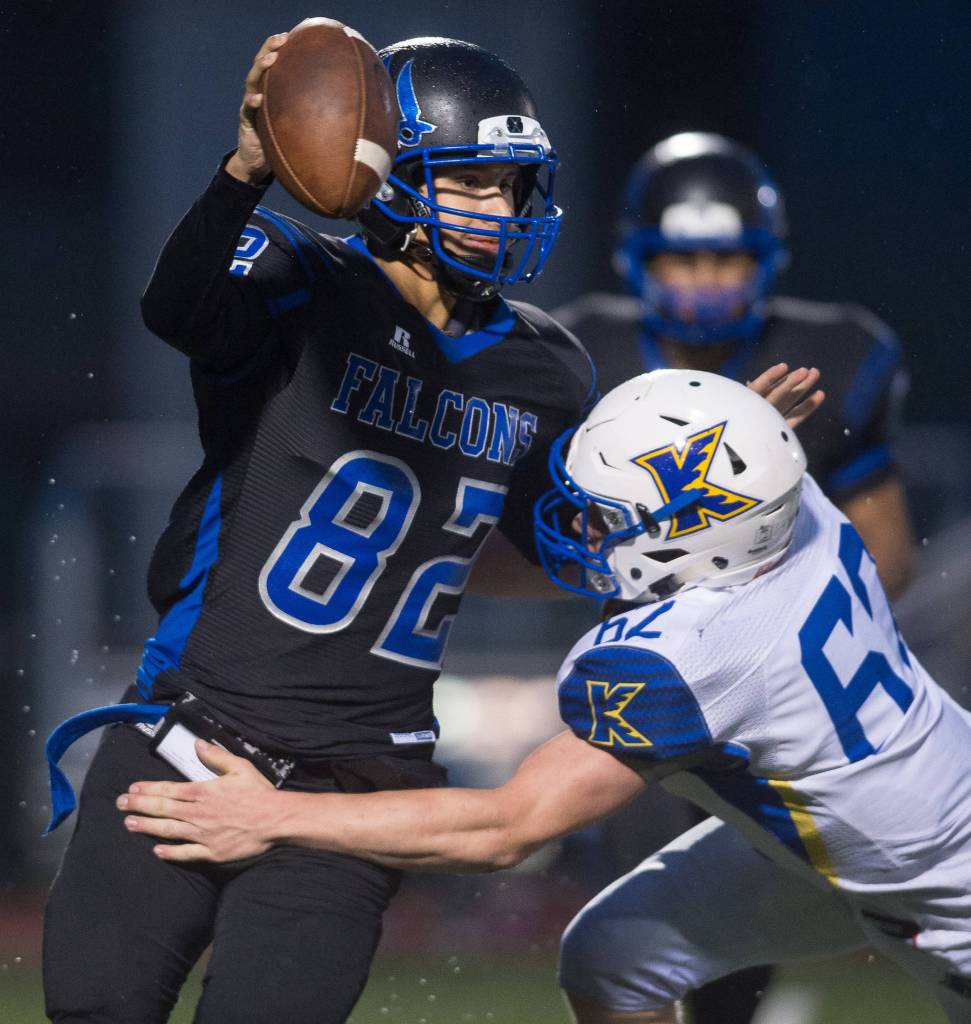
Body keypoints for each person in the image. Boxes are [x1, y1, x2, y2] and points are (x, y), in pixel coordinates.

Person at [118, 370, 971, 1024]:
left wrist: (272, 817)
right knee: (613, 955)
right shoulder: (794, 510)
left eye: (610, 515)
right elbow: (729, 484)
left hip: (940, 890)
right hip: (879, 818)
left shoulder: (692, 657)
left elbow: (504, 830)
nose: (590, 528)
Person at [42, 32, 596, 1024]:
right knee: (93, 1006)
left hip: (356, 779)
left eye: (514, 187)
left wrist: (690, 478)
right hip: (189, 725)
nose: (502, 210)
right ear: (395, 178)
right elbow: (174, 306)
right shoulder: (304, 283)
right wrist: (246, 171)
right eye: (472, 182)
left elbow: (563, 546)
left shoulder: (544, 369)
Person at [554, 131, 913, 598]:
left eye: (726, 257)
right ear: (640, 261)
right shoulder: (579, 354)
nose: (705, 279)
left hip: (785, 611)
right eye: (682, 258)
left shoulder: (832, 359)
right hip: (623, 610)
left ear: (764, 258)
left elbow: (886, 563)